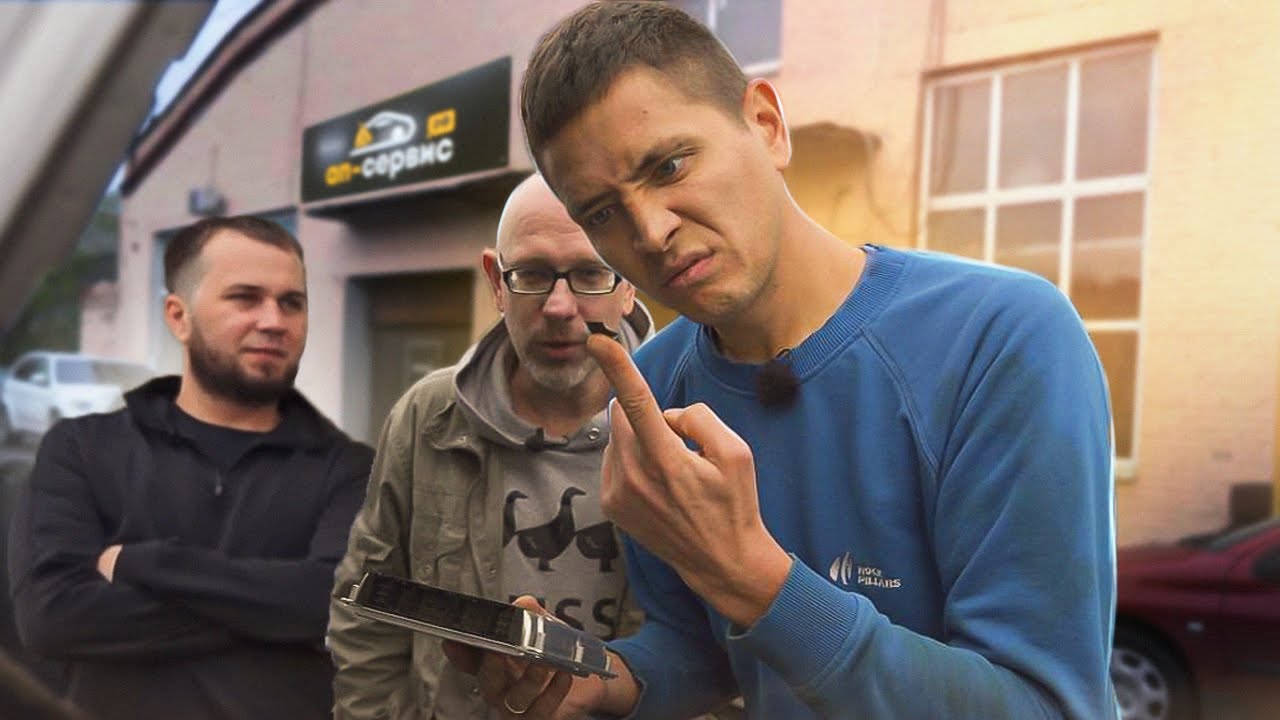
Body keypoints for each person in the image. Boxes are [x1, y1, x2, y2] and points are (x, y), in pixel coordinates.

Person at [453, 2, 1119, 718]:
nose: (650, 230)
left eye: (669, 165)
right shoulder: (653, 388)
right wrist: (609, 679)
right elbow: (708, 649)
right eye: (602, 213)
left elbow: (1044, 704)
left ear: (766, 125)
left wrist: (755, 578)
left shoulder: (1001, 337)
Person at [7, 215, 374, 720]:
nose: (274, 320)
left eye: (292, 302)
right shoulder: (82, 450)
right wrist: (278, 609)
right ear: (179, 317)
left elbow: (336, 606)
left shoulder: (351, 470)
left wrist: (146, 565)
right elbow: (52, 618)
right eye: (245, 298)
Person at [328, 173, 653, 720]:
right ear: (496, 283)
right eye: (532, 274)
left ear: (629, 284)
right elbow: (367, 607)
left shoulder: (689, 422)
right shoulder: (428, 417)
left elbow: (725, 647)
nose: (559, 306)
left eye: (591, 273)